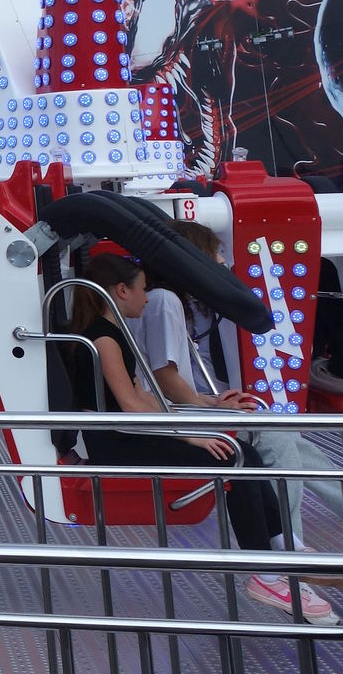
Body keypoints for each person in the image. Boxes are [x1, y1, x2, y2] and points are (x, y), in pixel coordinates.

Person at [65, 253, 331, 622]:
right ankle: (267, 575)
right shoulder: (103, 338)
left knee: (245, 453)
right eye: (143, 289)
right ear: (122, 291)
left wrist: (199, 414)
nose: (147, 298)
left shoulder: (112, 333)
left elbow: (143, 396)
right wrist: (189, 436)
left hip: (129, 433)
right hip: (118, 441)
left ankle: (284, 544)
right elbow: (130, 405)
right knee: (232, 458)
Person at [146, 221, 343, 569]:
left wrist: (215, 402)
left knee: (290, 440)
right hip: (178, 412)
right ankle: (290, 548)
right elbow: (165, 377)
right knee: (277, 440)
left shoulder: (183, 302)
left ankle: (292, 543)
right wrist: (211, 404)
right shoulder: (165, 302)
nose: (222, 261)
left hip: (190, 406)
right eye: (215, 253)